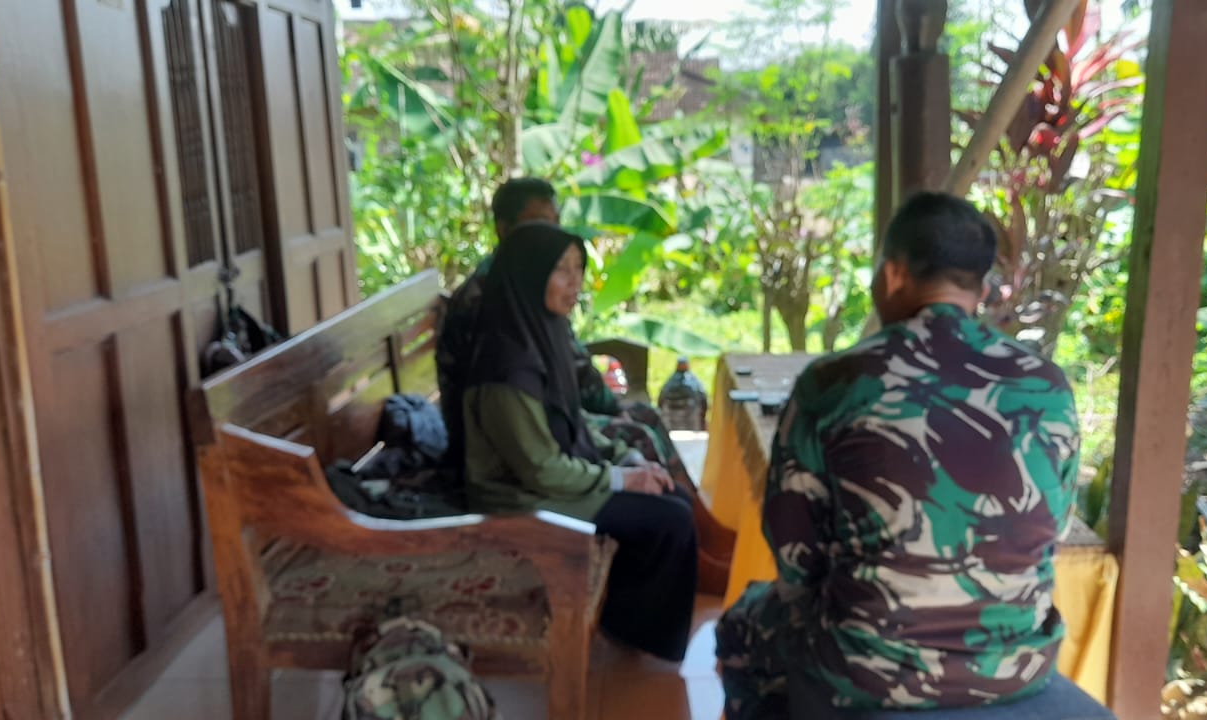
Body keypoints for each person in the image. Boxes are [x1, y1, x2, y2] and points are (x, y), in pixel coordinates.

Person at [716, 193, 1107, 718]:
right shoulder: (1048, 385)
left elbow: (794, 555)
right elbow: (1050, 529)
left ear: (893, 275)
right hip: (1016, 667)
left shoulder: (836, 381)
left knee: (742, 624)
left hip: (866, 670)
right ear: (982, 290)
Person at [435, 178, 735, 588]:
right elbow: (533, 451)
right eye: (538, 225)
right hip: (510, 470)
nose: (573, 280)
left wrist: (620, 452)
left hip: (541, 438)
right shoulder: (500, 320)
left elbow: (566, 389)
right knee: (643, 453)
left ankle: (707, 540)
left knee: (647, 451)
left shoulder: (537, 308)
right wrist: (620, 471)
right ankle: (694, 560)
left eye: (555, 223)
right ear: (505, 231)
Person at [459, 222, 698, 662]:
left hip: (550, 481)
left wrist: (626, 457)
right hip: (519, 497)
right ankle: (627, 628)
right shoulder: (505, 366)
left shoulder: (541, 334)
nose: (575, 283)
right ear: (530, 275)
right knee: (670, 521)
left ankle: (624, 622)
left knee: (674, 497)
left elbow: (570, 419)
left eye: (578, 269)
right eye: (561, 270)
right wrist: (621, 480)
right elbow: (540, 468)